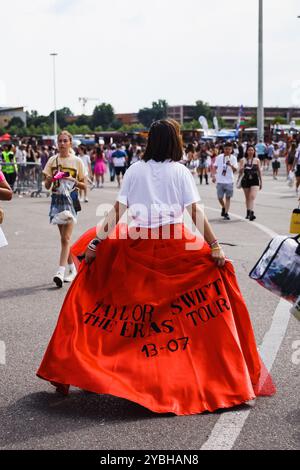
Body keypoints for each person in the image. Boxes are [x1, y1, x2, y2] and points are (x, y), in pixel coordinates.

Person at [37, 120, 275, 414]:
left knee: (129, 314)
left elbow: (117, 212)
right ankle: (207, 374)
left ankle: (113, 369)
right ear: (174, 141)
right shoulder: (179, 171)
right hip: (176, 245)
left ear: (151, 142)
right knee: (191, 314)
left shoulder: (136, 169)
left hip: (137, 246)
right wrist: (214, 246)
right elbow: (195, 213)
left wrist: (97, 243)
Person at [43, 131, 86, 288]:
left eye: (65, 141)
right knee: (63, 239)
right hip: (56, 200)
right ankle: (73, 268)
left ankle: (60, 272)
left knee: (66, 239)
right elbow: (47, 186)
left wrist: (71, 179)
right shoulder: (52, 160)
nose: (62, 143)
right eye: (59, 141)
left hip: (71, 200)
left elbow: (85, 184)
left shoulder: (77, 161)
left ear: (70, 143)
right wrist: (52, 179)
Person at [213, 142, 238, 220]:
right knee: (220, 197)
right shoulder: (219, 157)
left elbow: (235, 170)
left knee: (228, 197)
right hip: (220, 180)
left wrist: (230, 165)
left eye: (229, 149)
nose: (227, 150)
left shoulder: (233, 158)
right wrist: (214, 176)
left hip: (229, 181)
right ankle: (223, 207)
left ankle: (226, 213)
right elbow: (215, 167)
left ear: (231, 150)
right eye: (226, 149)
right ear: (224, 149)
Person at [238, 145, 262, 221]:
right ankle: (248, 212)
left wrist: (261, 181)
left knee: (252, 197)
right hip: (245, 179)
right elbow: (240, 172)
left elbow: (259, 171)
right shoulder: (243, 160)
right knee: (247, 197)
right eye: (249, 150)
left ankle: (251, 212)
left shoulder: (257, 160)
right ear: (246, 151)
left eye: (252, 150)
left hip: (255, 179)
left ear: (254, 151)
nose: (251, 151)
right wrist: (242, 168)